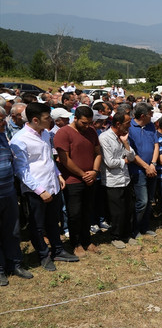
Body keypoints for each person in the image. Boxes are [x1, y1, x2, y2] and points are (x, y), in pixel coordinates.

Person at [10, 103, 79, 271]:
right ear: (35, 119)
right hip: (36, 190)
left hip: (53, 185)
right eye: (47, 118)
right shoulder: (19, 140)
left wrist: (58, 175)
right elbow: (21, 170)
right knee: (38, 225)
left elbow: (48, 159)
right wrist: (40, 191)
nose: (51, 121)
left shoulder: (46, 134)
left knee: (52, 221)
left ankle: (58, 250)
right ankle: (43, 255)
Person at [54, 106, 102, 257]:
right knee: (74, 213)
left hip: (90, 178)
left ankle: (87, 240)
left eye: (89, 123)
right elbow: (64, 159)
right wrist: (83, 174)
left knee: (87, 211)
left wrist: (94, 171)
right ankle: (75, 243)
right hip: (73, 180)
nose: (87, 126)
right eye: (83, 123)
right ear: (75, 118)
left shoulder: (92, 131)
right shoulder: (63, 133)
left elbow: (98, 153)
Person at [0, 106, 33, 285]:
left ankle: (15, 264)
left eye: (3, 119)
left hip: (9, 192)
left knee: (12, 231)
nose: (3, 123)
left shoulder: (3, 137)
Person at [99, 111, 137, 249]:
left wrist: (126, 143)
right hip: (112, 181)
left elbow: (132, 157)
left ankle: (126, 234)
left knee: (128, 208)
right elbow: (109, 162)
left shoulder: (123, 137)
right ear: (118, 123)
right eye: (127, 123)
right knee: (117, 211)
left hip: (125, 179)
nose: (129, 126)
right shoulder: (105, 138)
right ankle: (116, 236)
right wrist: (124, 161)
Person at [128, 103, 159, 238]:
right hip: (138, 171)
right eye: (150, 114)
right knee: (142, 201)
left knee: (149, 200)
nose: (152, 116)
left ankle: (144, 227)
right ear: (142, 116)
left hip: (152, 168)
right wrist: (146, 167)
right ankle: (135, 229)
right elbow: (130, 152)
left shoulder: (150, 126)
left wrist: (152, 163)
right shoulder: (129, 127)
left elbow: (156, 145)